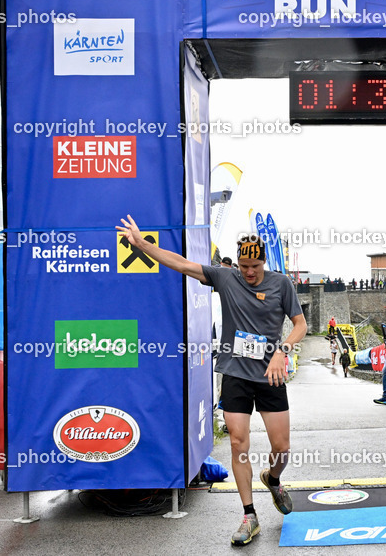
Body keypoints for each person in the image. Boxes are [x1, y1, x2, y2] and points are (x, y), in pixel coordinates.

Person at [117, 216, 306, 546]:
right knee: (238, 443)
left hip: (270, 374)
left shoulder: (281, 284)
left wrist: (283, 350)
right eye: (244, 266)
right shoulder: (226, 277)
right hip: (235, 374)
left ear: (264, 262)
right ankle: (249, 515)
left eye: (255, 266)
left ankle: (273, 479)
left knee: (282, 447)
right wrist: (141, 244)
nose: (249, 272)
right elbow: (181, 264)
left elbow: (300, 324)